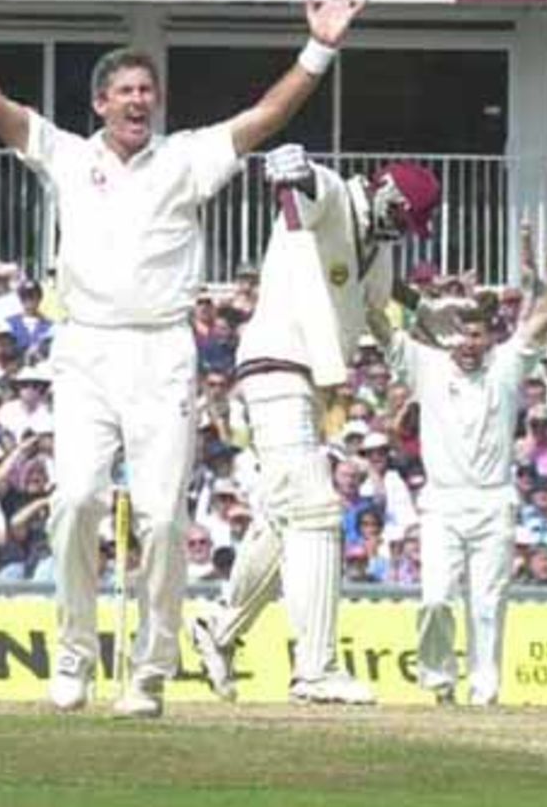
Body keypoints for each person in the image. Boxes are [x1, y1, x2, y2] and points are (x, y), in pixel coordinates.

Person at [0, 0, 365, 717]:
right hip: (86, 350)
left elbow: (262, 118)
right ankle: (74, 655)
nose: (139, 102)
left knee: (160, 517)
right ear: (100, 103)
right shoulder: (66, 153)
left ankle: (150, 670)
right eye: (126, 92)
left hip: (162, 353)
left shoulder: (184, 157)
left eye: (147, 92)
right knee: (77, 499)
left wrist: (317, 49)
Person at [187, 146, 440, 705]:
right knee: (318, 511)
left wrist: (424, 307)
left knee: (286, 519)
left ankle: (220, 627)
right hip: (277, 365)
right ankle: (316, 668)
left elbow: (379, 302)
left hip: (317, 381)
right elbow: (308, 182)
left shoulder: (379, 248)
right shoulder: (334, 198)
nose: (405, 230)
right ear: (386, 195)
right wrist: (294, 168)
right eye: (403, 216)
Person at [369, 221, 547, 705]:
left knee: (488, 604)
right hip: (443, 504)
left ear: (490, 336)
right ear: (451, 336)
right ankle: (438, 681)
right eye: (462, 334)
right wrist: (358, 271)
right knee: (433, 599)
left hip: (494, 501)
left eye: (478, 334)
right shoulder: (425, 365)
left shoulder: (508, 364)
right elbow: (380, 324)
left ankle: (484, 691)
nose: (470, 343)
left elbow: (544, 317)